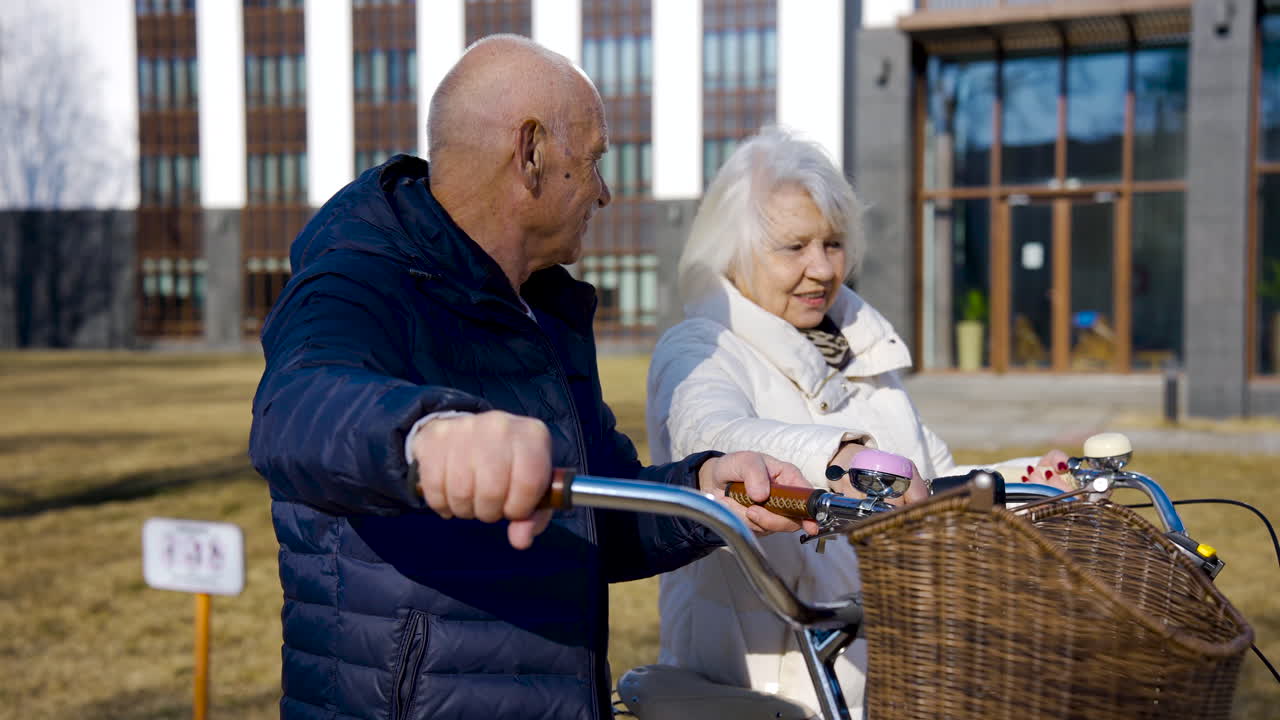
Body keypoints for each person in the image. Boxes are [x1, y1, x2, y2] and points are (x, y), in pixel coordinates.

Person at [249, 37, 814, 720]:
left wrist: (705, 492)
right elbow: (297, 408)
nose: (605, 192)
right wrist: (429, 437)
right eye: (595, 159)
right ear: (531, 154)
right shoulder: (357, 275)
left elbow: (592, 515)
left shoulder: (545, 308)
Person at [645, 126, 1073, 715]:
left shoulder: (858, 352)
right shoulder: (699, 347)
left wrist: (1030, 482)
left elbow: (932, 480)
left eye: (834, 243)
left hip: (880, 676)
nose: (822, 268)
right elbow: (714, 439)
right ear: (734, 250)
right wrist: (840, 460)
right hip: (766, 691)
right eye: (794, 247)